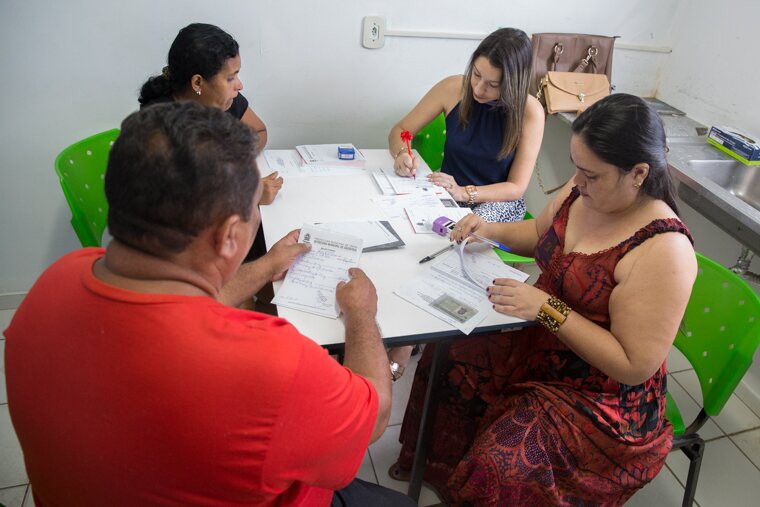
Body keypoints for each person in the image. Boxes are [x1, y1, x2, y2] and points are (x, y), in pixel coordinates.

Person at [5, 102, 415, 507]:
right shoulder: (269, 363)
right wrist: (361, 314)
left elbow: (168, 306)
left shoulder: (54, 283)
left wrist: (265, 265)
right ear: (229, 236)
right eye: (255, 210)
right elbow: (374, 417)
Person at [389, 94, 698, 506]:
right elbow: (539, 233)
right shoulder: (584, 190)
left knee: (505, 462)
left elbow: (632, 366)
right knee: (448, 354)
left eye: (591, 175)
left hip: (600, 396)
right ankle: (440, 474)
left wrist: (546, 309)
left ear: (638, 173)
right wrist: (488, 230)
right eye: (576, 168)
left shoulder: (664, 250)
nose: (577, 182)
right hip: (541, 338)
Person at [387, 27, 545, 379]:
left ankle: (407, 343)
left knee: (460, 243)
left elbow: (516, 187)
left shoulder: (530, 112)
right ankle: (405, 324)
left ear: (514, 85)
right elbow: (401, 130)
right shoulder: (452, 88)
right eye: (476, 75)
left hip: (495, 201)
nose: (479, 89)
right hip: (447, 193)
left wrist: (466, 193)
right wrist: (402, 154)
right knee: (407, 236)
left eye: (493, 84)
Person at [139, 22, 282, 205]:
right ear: (198, 83)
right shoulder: (157, 124)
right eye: (230, 78)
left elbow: (259, 131)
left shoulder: (221, 99)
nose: (239, 85)